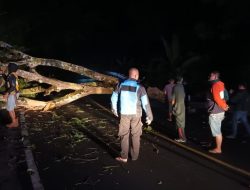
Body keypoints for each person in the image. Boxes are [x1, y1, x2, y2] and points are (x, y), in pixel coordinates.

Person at [111, 67, 153, 163]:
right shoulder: (140, 87)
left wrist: (114, 109)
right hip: (136, 114)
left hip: (124, 114)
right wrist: (149, 116)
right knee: (136, 135)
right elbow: (145, 103)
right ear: (136, 75)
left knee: (124, 135)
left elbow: (114, 97)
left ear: (129, 75)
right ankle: (134, 156)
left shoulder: (121, 85)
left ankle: (124, 157)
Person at [207, 71, 229, 154]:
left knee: (217, 131)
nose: (209, 76)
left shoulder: (215, 85)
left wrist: (224, 106)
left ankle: (218, 148)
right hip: (219, 111)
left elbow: (217, 98)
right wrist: (225, 105)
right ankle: (213, 144)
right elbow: (223, 96)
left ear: (215, 76)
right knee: (216, 129)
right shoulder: (220, 83)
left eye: (211, 75)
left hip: (215, 112)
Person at [1, 63, 19, 128]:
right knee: (11, 109)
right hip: (13, 93)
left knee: (10, 109)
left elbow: (13, 87)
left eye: (8, 67)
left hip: (12, 93)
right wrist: (2, 74)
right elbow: (7, 80)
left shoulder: (12, 76)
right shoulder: (12, 75)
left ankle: (14, 123)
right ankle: (15, 121)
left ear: (10, 68)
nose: (7, 68)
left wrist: (7, 93)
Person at [172, 76, 186, 143]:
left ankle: (182, 138)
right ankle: (183, 137)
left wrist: (172, 107)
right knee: (182, 122)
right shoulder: (182, 87)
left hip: (177, 107)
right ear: (181, 80)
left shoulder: (175, 87)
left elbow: (173, 100)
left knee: (179, 123)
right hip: (182, 107)